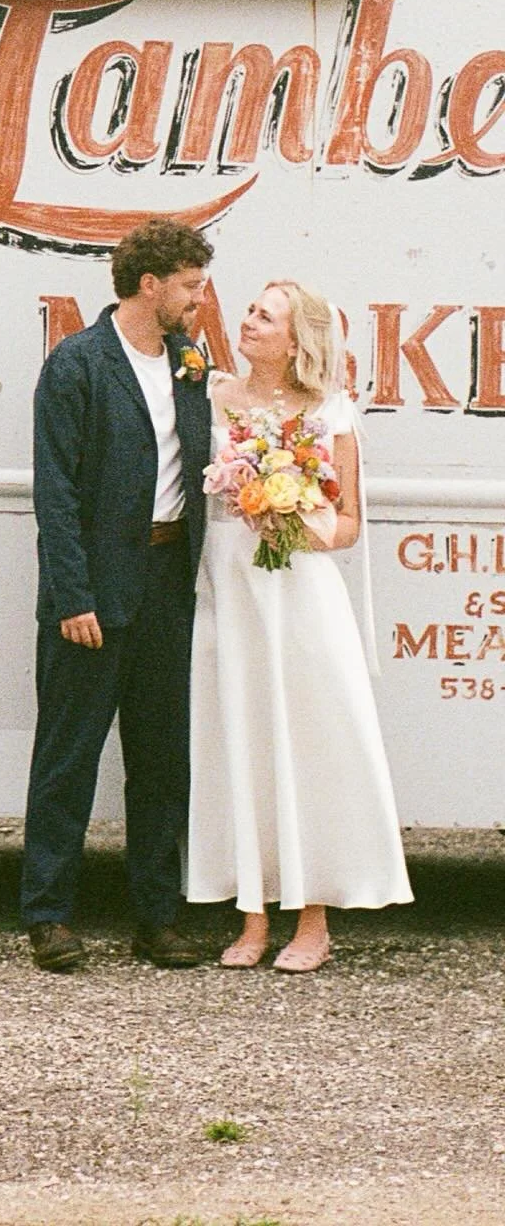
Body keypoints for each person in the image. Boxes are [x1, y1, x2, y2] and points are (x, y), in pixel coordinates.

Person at [187, 280, 412, 972]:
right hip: (228, 588)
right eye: (250, 310)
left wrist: (288, 516)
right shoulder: (212, 396)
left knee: (305, 745)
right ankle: (251, 916)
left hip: (300, 595)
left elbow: (346, 527)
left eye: (265, 316)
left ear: (296, 340)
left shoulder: (331, 410)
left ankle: (311, 920)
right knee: (237, 740)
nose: (247, 322)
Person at [21, 217, 215, 972]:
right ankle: (48, 916)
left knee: (163, 759)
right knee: (67, 758)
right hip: (94, 593)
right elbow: (56, 494)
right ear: (150, 284)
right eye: (191, 287)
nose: (199, 300)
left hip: (168, 584)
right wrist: (73, 598)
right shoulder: (78, 365)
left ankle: (157, 918)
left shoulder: (189, 362)